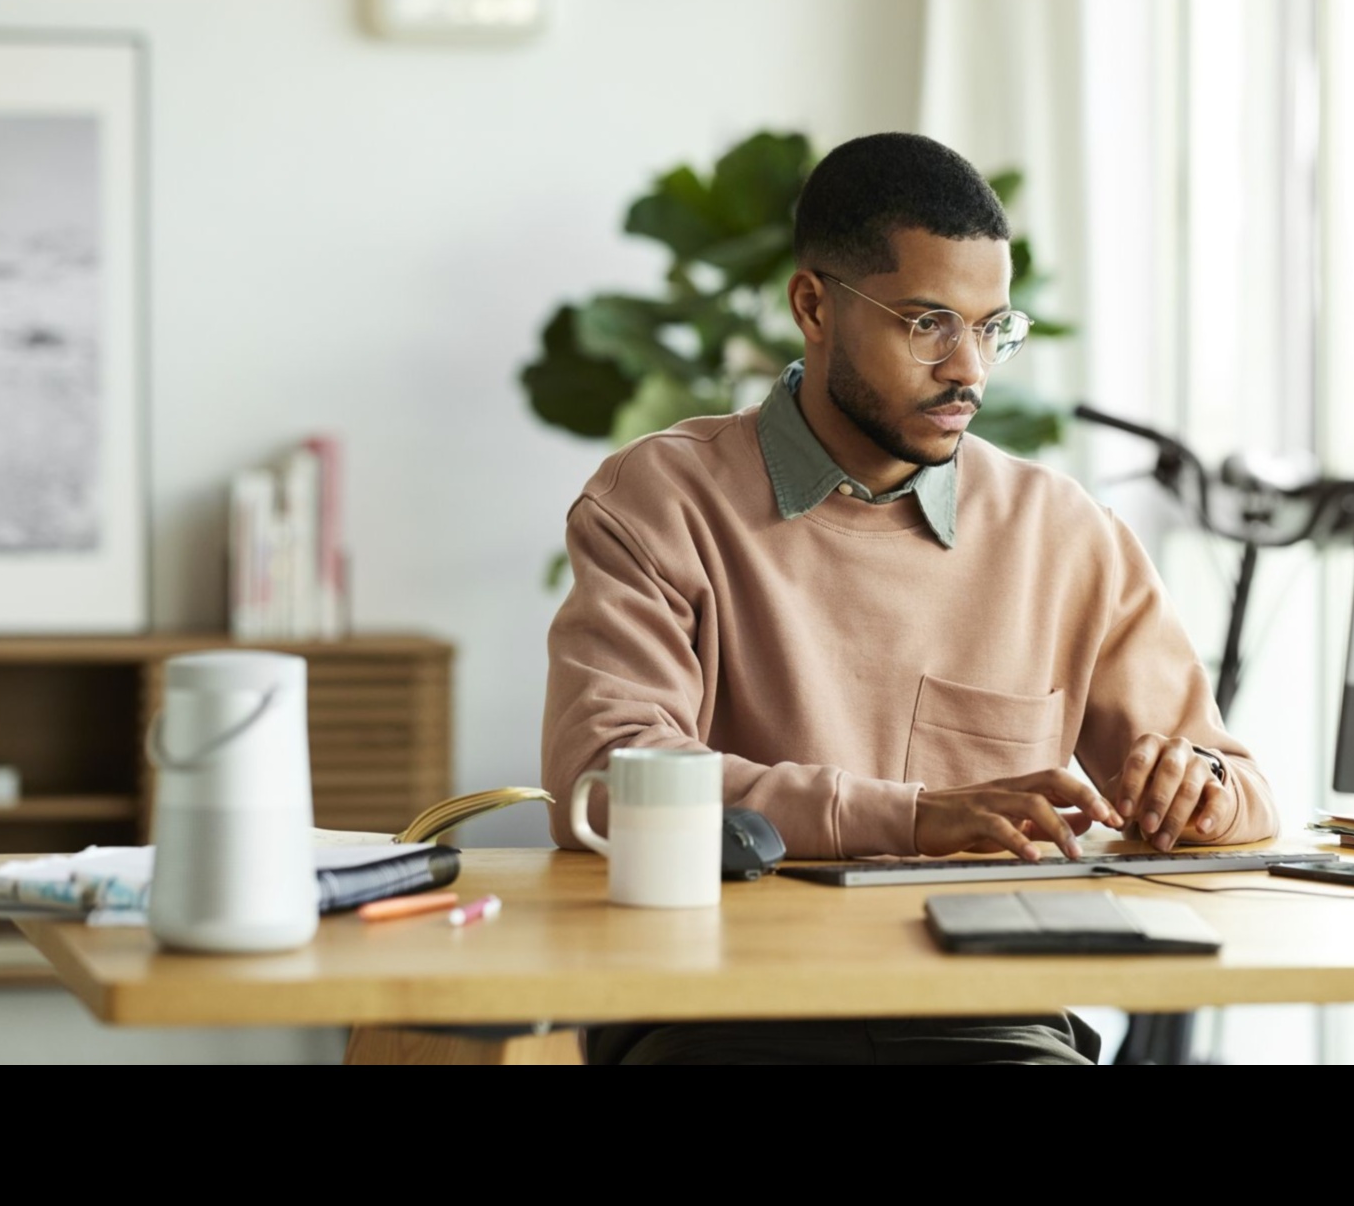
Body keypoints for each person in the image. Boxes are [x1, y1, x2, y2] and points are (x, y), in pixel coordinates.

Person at [543, 132, 1278, 1064]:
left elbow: (1243, 787)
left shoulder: (1061, 533)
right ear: (814, 305)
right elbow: (606, 781)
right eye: (928, 323)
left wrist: (1198, 793)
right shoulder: (661, 500)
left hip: (992, 1028)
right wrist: (914, 817)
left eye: (991, 327)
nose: (968, 368)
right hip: (721, 1018)